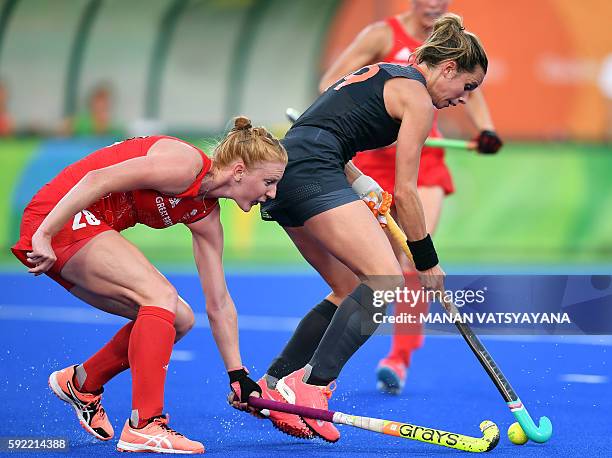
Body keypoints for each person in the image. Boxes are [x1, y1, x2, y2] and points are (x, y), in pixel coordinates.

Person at [246, 14, 487, 443]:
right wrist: (427, 262)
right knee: (387, 279)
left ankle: (272, 384)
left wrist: (358, 180)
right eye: (467, 86)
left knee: (346, 289)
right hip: (314, 169)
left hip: (291, 169)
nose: (464, 98)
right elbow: (409, 194)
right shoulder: (417, 98)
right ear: (448, 68)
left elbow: (328, 125)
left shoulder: (389, 74)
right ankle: (312, 388)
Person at [11, 117, 287, 454]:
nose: (271, 194)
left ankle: (83, 382)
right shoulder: (186, 165)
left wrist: (238, 374)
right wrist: (44, 232)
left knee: (178, 318)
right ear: (240, 171)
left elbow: (218, 302)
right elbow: (97, 179)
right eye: (269, 182)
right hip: (60, 216)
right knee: (160, 296)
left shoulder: (206, 214)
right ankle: (144, 425)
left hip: (80, 227)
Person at [318, 0, 503, 395]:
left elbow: (472, 88)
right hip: (374, 164)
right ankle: (312, 370)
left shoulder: (456, 47)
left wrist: (485, 128)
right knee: (366, 270)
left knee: (412, 259)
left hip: (424, 162)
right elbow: (329, 84)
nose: (435, 3)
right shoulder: (382, 34)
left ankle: (398, 358)